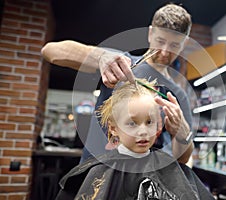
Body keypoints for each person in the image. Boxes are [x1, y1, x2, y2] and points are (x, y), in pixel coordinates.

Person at [41, 3, 194, 164]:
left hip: (140, 182)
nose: (164, 52)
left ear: (185, 43)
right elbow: (50, 51)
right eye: (160, 41)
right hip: (95, 174)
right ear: (150, 34)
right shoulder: (120, 64)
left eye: (174, 45)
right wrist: (100, 57)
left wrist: (183, 134)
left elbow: (182, 159)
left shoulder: (178, 96)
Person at [55, 79, 214, 200]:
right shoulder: (99, 170)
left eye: (149, 122)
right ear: (113, 128)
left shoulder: (168, 166)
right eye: (132, 123)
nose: (143, 131)